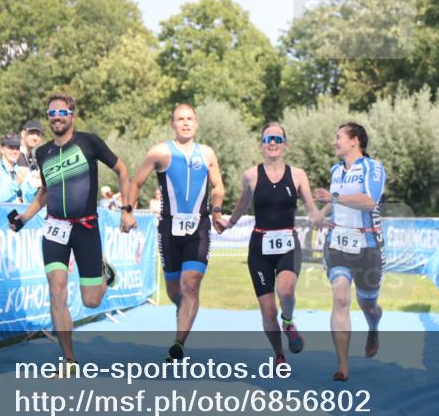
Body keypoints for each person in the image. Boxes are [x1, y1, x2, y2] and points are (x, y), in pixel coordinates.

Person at [10, 94, 136, 373]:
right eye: (51, 112)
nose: (56, 116)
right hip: (55, 228)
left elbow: (122, 169)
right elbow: (45, 191)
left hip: (86, 228)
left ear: (72, 115)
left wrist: (126, 209)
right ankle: (69, 361)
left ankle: (101, 269)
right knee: (57, 292)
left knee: (92, 300)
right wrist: (24, 217)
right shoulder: (42, 153)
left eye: (62, 112)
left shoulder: (89, 142)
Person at [130, 104, 227, 362]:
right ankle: (185, 314)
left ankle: (178, 343)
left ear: (196, 123)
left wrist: (216, 211)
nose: (185, 123)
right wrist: (127, 211)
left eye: (190, 119)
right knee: (175, 291)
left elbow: (218, 186)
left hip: (200, 227)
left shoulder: (207, 153)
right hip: (169, 229)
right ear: (172, 123)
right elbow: (136, 182)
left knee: (191, 284)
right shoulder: (159, 152)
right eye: (180, 119)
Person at [225, 123, 324, 365]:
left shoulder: (299, 175)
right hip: (259, 248)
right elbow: (242, 204)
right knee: (268, 311)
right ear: (261, 144)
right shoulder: (251, 175)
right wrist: (229, 223)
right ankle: (279, 355)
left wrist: (325, 218)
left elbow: (312, 210)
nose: (273, 142)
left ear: (285, 145)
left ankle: (288, 322)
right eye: (268, 138)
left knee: (286, 290)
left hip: (288, 243)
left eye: (278, 139)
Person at [313, 122, 386, 382]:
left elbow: (369, 201)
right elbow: (337, 201)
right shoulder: (335, 170)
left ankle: (374, 326)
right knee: (341, 299)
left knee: (368, 304)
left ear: (354, 140)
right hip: (337, 244)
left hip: (367, 246)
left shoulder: (373, 168)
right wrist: (321, 214)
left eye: (338, 137)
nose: (334, 142)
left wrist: (332, 198)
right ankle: (342, 366)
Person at [0, 133, 35, 203]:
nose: (15, 151)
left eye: (17, 148)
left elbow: (29, 200)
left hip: (20, 213)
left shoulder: (21, 171)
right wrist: (16, 183)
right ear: (2, 150)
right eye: (11, 148)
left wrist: (35, 187)